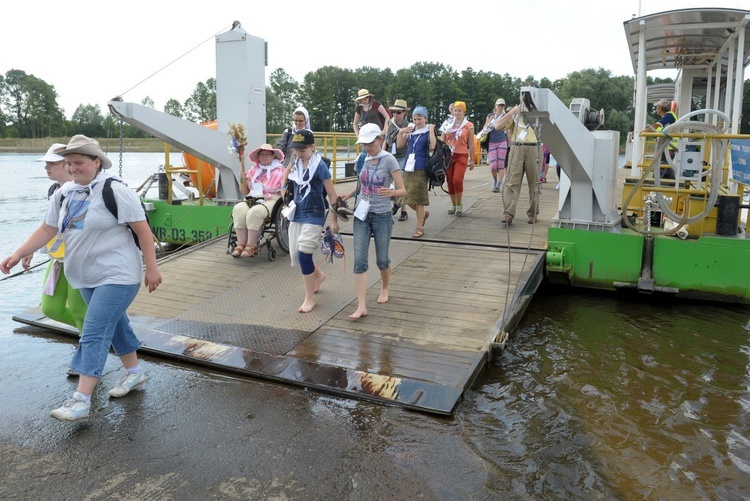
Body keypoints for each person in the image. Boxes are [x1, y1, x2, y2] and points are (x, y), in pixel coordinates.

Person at [0, 135, 162, 422]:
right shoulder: (64, 193)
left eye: (79, 162)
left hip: (119, 274)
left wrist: (152, 268)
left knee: (94, 330)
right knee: (116, 325)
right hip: (84, 275)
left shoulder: (115, 190)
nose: (73, 168)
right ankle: (135, 374)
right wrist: (18, 253)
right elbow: (48, 229)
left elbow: (143, 231)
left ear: (96, 162)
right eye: (69, 163)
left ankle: (81, 400)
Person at [20, 144, 88, 346]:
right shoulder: (54, 190)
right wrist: (30, 248)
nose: (46, 167)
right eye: (46, 164)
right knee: (50, 308)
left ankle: (89, 348)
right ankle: (97, 333)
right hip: (57, 256)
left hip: (78, 258)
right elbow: (47, 225)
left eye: (51, 163)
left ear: (65, 164)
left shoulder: (84, 191)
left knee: (79, 309)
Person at [340, 124, 406, 319]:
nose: (367, 147)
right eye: (364, 144)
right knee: (359, 260)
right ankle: (361, 305)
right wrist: (350, 194)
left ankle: (385, 287)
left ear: (379, 139)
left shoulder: (389, 160)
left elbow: (403, 190)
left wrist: (392, 192)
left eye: (370, 143)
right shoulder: (362, 159)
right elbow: (362, 184)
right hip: (361, 214)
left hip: (382, 215)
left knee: (382, 259)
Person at [281, 129, 340, 313]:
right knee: (296, 257)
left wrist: (333, 220)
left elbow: (332, 195)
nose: (298, 153)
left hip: (314, 213)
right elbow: (286, 172)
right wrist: (283, 188)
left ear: (312, 147)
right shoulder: (294, 161)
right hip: (297, 212)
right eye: (296, 149)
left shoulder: (319, 166)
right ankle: (319, 275)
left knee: (304, 254)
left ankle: (309, 298)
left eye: (302, 150)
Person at [230, 143, 286, 257]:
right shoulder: (253, 170)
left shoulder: (281, 171)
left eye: (267, 154)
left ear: (273, 156)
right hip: (253, 197)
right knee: (238, 209)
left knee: (255, 212)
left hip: (271, 199)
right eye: (262, 154)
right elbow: (244, 192)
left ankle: (252, 245)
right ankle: (241, 243)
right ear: (258, 156)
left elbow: (285, 190)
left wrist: (285, 205)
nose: (264, 156)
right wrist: (243, 180)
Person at [495, 105, 540, 224]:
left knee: (534, 182)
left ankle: (533, 213)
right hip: (517, 147)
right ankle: (508, 213)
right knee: (511, 182)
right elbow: (497, 126)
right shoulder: (515, 115)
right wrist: (511, 113)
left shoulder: (539, 114)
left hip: (534, 147)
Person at [396, 105, 436, 238]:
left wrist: (431, 130)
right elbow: (399, 145)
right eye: (415, 119)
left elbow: (433, 146)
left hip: (420, 167)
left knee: (418, 199)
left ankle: (419, 227)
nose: (417, 122)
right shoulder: (411, 131)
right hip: (408, 166)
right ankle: (422, 215)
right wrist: (402, 132)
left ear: (425, 118)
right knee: (405, 196)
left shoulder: (427, 130)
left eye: (420, 119)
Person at [442, 101, 476, 216]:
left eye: (459, 110)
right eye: (455, 110)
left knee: (457, 180)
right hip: (448, 156)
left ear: (463, 111)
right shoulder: (448, 123)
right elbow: (443, 140)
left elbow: (471, 143)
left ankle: (459, 204)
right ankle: (453, 204)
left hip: (461, 155)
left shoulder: (468, 125)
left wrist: (472, 159)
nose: (457, 113)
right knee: (450, 181)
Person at [385, 99, 411, 222]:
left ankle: (403, 211)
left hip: (401, 156)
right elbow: (387, 139)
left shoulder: (408, 126)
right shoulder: (390, 123)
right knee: (387, 181)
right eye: (394, 112)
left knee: (400, 183)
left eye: (398, 112)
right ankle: (395, 205)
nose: (395, 114)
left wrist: (401, 133)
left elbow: (402, 144)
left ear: (404, 113)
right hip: (390, 155)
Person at [478, 98, 509, 192]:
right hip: (492, 142)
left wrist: (510, 144)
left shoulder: (506, 116)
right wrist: (489, 120)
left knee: (501, 164)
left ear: (504, 106)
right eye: (499, 105)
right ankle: (495, 179)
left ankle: (498, 185)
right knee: (493, 165)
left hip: (502, 141)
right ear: (495, 106)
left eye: (502, 105)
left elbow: (508, 131)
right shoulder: (490, 116)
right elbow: (484, 128)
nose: (500, 107)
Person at [648, 98, 677, 179]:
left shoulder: (669, 115)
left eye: (657, 107)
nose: (656, 109)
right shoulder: (668, 117)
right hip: (667, 147)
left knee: (662, 167)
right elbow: (660, 131)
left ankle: (655, 186)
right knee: (665, 167)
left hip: (668, 147)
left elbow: (656, 126)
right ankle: (672, 185)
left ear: (660, 107)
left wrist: (641, 132)